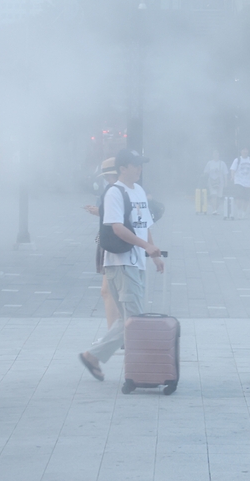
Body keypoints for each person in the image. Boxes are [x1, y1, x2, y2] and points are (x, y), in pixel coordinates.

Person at [79, 150, 164, 381]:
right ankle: (138, 372)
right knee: (135, 320)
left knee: (128, 318)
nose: (139, 169)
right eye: (135, 165)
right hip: (120, 262)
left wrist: (153, 252)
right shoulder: (114, 193)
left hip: (136, 262)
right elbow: (117, 227)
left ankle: (92, 356)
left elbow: (144, 225)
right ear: (122, 169)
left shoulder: (138, 191)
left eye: (140, 165)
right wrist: (145, 247)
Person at [84, 158, 121, 330]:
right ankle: (115, 333)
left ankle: (114, 334)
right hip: (109, 239)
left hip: (111, 242)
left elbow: (113, 215)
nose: (108, 179)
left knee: (109, 291)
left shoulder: (114, 190)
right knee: (110, 291)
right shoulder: (116, 189)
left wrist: (98, 211)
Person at [230, 148, 250, 218]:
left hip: (248, 182)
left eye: (246, 150)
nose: (245, 151)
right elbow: (233, 169)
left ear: (248, 151)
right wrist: (232, 177)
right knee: (239, 197)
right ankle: (239, 210)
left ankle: (243, 211)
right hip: (239, 181)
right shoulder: (237, 160)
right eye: (243, 150)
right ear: (241, 151)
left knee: (246, 199)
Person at [202, 150, 229, 216]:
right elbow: (206, 172)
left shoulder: (222, 163)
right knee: (214, 195)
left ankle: (216, 209)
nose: (216, 155)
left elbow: (225, 173)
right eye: (214, 154)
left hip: (220, 182)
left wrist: (226, 182)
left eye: (217, 154)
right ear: (212, 155)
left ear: (219, 155)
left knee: (219, 197)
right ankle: (214, 210)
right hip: (211, 182)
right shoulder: (209, 163)